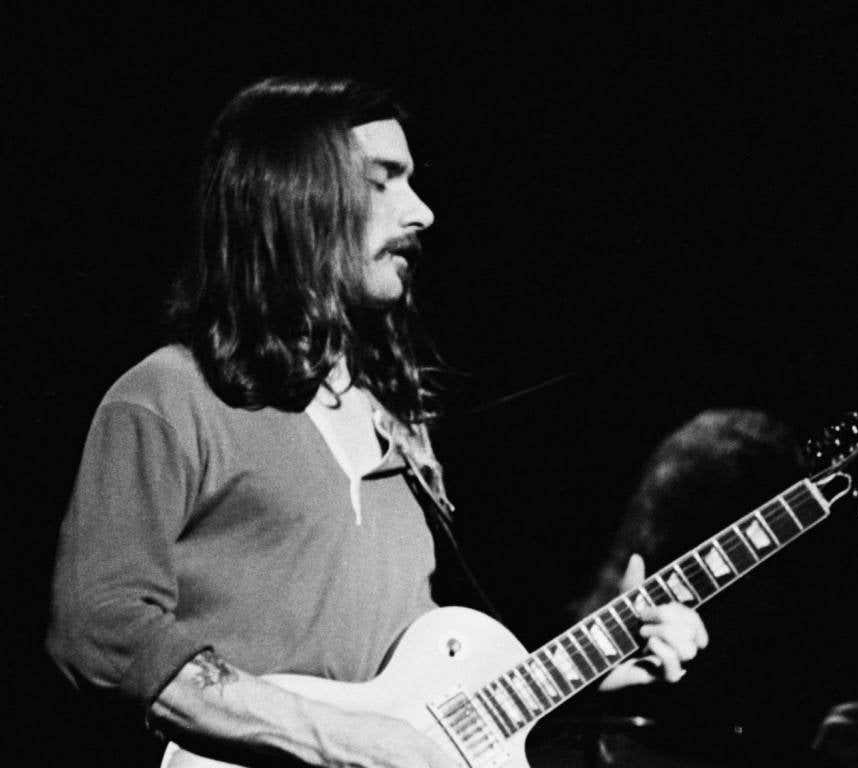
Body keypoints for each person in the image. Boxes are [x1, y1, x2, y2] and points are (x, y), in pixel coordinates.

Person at [46, 76, 709, 768]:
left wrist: (591, 678)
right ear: (294, 197)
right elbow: (101, 630)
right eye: (384, 181)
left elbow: (426, 700)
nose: (421, 212)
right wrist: (340, 742)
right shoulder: (167, 394)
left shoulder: (400, 427)